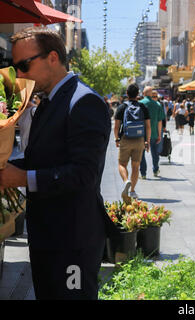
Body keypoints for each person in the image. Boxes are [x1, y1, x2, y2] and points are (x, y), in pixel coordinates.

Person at [0, 27, 114, 300]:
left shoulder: (84, 101)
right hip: (46, 235)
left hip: (72, 240)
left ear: (53, 57)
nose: (20, 75)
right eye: (14, 68)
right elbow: (40, 158)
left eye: (24, 65)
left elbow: (84, 174)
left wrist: (22, 178)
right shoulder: (48, 102)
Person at [114, 83, 151, 200]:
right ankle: (133, 191)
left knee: (121, 164)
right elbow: (148, 126)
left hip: (125, 138)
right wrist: (147, 141)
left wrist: (117, 139)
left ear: (127, 94)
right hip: (139, 139)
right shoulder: (143, 107)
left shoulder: (121, 107)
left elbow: (116, 127)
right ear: (138, 94)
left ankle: (126, 181)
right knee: (136, 166)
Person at [139, 87, 165, 179]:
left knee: (141, 154)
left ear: (143, 93)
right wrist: (159, 134)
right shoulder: (157, 104)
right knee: (155, 152)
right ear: (151, 94)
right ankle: (155, 170)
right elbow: (159, 122)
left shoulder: (140, 104)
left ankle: (143, 173)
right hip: (154, 133)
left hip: (141, 134)